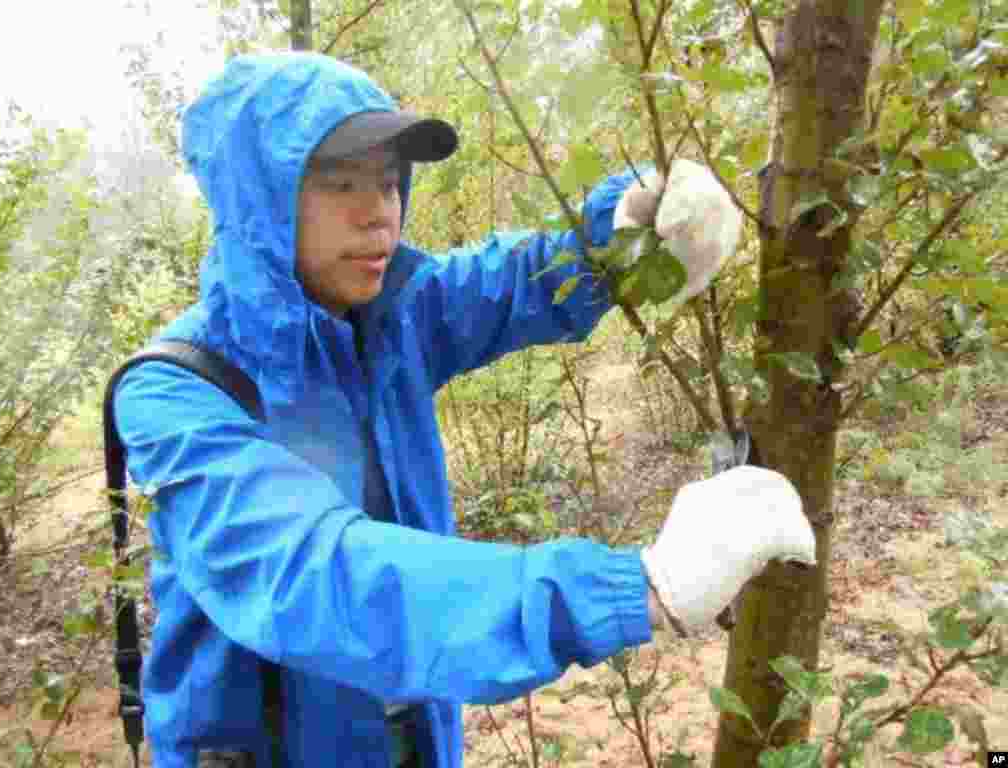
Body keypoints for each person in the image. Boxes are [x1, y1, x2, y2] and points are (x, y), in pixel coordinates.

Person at [112, 52, 816, 768]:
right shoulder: (179, 393)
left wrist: (626, 233)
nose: (378, 210)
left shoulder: (390, 320)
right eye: (340, 182)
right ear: (259, 196)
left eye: (388, 181)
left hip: (413, 735)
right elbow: (317, 578)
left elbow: (512, 281)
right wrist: (631, 587)